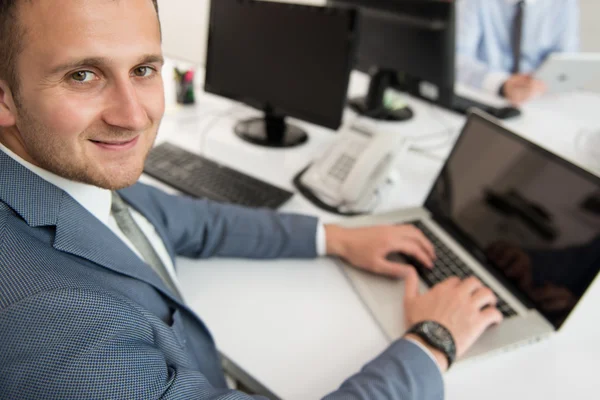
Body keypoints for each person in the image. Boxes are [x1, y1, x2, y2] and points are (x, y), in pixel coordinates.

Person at [0, 0, 503, 398]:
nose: (133, 116)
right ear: (4, 97)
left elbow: (181, 219)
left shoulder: (49, 178)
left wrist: (335, 238)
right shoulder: (53, 322)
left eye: (144, 69)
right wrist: (431, 342)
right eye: (82, 75)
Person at [456, 0, 580, 105]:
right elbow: (456, 59)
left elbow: (567, 61)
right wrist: (502, 83)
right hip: (486, 95)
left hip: (540, 99)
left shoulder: (565, 3)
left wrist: (537, 84)